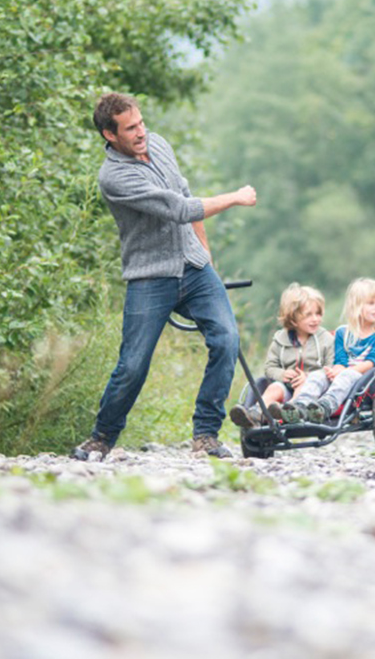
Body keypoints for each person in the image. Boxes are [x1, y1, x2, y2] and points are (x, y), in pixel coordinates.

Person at [72, 93, 256, 461]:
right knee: (133, 363)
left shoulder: (158, 144)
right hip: (150, 277)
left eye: (141, 122)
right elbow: (181, 209)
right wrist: (236, 197)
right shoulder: (114, 177)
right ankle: (101, 438)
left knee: (227, 340)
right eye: (131, 128)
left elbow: (185, 192)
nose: (141, 132)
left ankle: (206, 435)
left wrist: (205, 253)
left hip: (194, 266)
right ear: (110, 135)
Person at [270, 277, 375, 424]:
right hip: (343, 376)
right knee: (317, 375)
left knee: (347, 375)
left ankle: (325, 407)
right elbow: (340, 359)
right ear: (357, 306)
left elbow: (372, 362)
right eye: (371, 303)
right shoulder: (343, 333)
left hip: (367, 383)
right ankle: (300, 406)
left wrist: (344, 371)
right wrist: (335, 370)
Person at [229, 283, 334, 429]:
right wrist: (283, 374)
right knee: (274, 388)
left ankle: (292, 411)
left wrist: (308, 376)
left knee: (302, 385)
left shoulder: (326, 339)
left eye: (318, 314)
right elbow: (270, 368)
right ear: (293, 319)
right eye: (309, 315)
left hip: (313, 393)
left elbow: (331, 368)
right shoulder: (280, 340)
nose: (315, 319)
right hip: (287, 388)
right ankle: (256, 414)